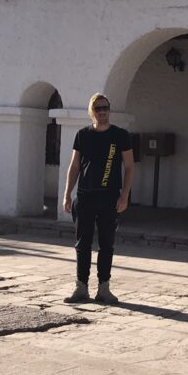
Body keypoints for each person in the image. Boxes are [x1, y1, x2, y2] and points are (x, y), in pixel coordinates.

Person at [62, 93, 134, 304]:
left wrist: (124, 195)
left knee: (106, 243)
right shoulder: (82, 135)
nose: (102, 112)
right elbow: (74, 166)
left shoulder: (120, 135)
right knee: (82, 244)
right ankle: (81, 287)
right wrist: (67, 194)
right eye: (98, 108)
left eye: (105, 108)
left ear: (109, 110)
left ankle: (104, 288)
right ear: (92, 111)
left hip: (110, 197)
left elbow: (129, 167)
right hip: (85, 196)